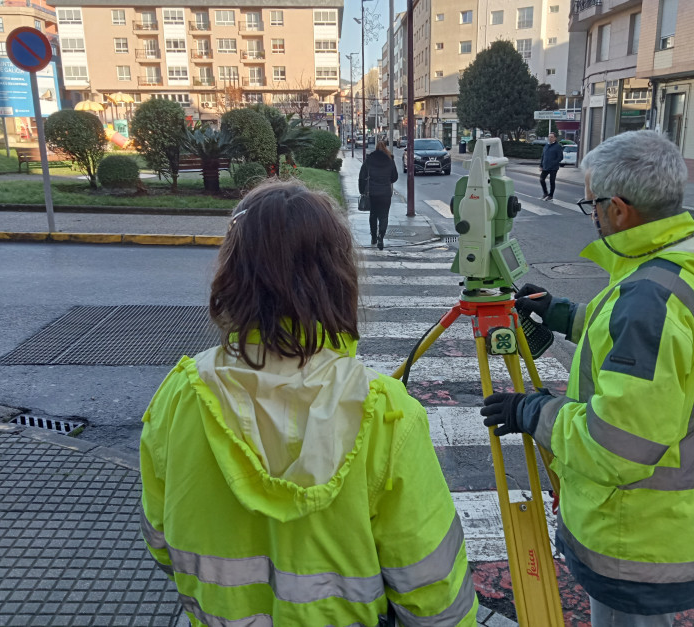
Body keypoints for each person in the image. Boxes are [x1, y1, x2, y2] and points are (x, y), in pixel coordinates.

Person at [481, 131, 694, 625]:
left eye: (593, 206)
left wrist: (532, 410)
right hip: (685, 524)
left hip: (642, 539)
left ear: (619, 210)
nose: (594, 216)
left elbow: (617, 446)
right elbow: (649, 343)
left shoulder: (651, 299)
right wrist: (565, 315)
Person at [140, 181, 478, 627]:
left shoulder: (179, 396)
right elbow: (434, 591)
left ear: (232, 275)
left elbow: (161, 539)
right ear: (338, 276)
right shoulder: (385, 415)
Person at [359, 140, 398, 250]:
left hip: (372, 192)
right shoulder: (390, 159)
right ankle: (381, 237)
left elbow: (362, 176)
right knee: (384, 216)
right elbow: (394, 177)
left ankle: (373, 237)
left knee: (373, 215)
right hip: (385, 193)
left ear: (376, 148)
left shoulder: (369, 159)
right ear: (385, 148)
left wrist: (362, 190)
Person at [539, 132, 563, 201]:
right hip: (545, 166)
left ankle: (551, 195)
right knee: (541, 179)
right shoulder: (546, 145)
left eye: (551, 137)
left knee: (552, 181)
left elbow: (560, 157)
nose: (550, 138)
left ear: (555, 138)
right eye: (549, 136)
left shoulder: (558, 146)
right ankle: (545, 193)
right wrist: (541, 165)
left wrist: (553, 163)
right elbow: (543, 156)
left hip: (553, 167)